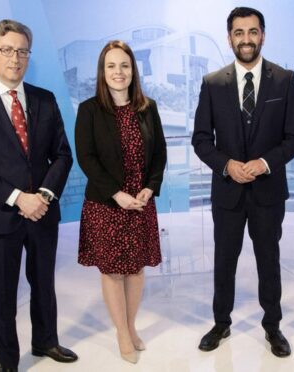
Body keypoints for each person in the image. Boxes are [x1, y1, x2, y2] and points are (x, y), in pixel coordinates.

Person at [0, 19, 77, 372]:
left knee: (44, 285)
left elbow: (62, 155)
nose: (15, 58)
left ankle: (46, 342)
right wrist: (18, 198)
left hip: (42, 212)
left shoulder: (44, 99)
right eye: (7, 50)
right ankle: (8, 362)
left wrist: (42, 196)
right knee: (1, 296)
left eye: (22, 51)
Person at [191, 7, 294, 357]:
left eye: (252, 32)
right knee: (224, 259)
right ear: (230, 38)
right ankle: (221, 322)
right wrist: (227, 165)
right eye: (239, 33)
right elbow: (200, 139)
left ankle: (273, 326)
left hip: (268, 192)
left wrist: (263, 163)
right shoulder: (212, 83)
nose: (246, 39)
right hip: (227, 192)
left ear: (263, 35)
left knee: (268, 259)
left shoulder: (285, 80)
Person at [75, 40, 167, 364]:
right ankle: (121, 333)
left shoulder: (147, 107)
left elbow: (159, 155)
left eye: (124, 66)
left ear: (133, 70)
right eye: (111, 66)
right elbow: (86, 158)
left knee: (137, 269)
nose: (118, 72)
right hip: (107, 204)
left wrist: (149, 188)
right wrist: (117, 193)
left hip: (140, 203)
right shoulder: (89, 110)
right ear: (103, 71)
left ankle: (130, 325)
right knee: (113, 271)